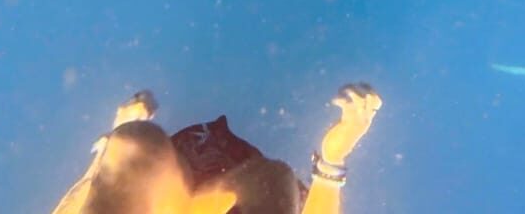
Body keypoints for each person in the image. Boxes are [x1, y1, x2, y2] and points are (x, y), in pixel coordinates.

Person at [50, 83, 382, 214]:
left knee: (132, 144)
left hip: (181, 177)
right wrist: (332, 160)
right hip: (233, 187)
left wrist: (106, 153)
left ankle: (126, 149)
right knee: (272, 180)